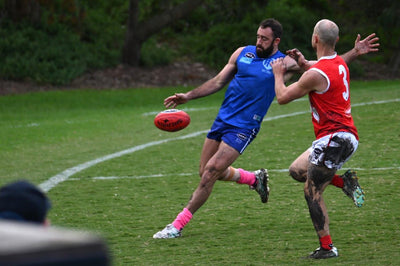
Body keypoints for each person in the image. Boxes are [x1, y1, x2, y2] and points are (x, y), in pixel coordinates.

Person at [153, 18, 378, 239]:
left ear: (276, 41)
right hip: (222, 121)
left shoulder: (284, 63)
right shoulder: (242, 53)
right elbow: (218, 80)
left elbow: (324, 68)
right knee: (206, 171)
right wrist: (188, 96)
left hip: (244, 127)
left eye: (264, 39)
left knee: (211, 172)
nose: (259, 42)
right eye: (258, 37)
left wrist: (354, 53)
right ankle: (254, 179)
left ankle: (176, 226)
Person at [271, 19, 379, 259]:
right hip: (342, 137)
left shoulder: (316, 74)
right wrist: (301, 62)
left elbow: (283, 97)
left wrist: (279, 74)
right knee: (297, 171)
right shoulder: (338, 62)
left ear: (315, 39)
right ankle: (345, 183)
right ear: (336, 40)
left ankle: (327, 248)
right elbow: (317, 67)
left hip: (334, 139)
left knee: (311, 192)